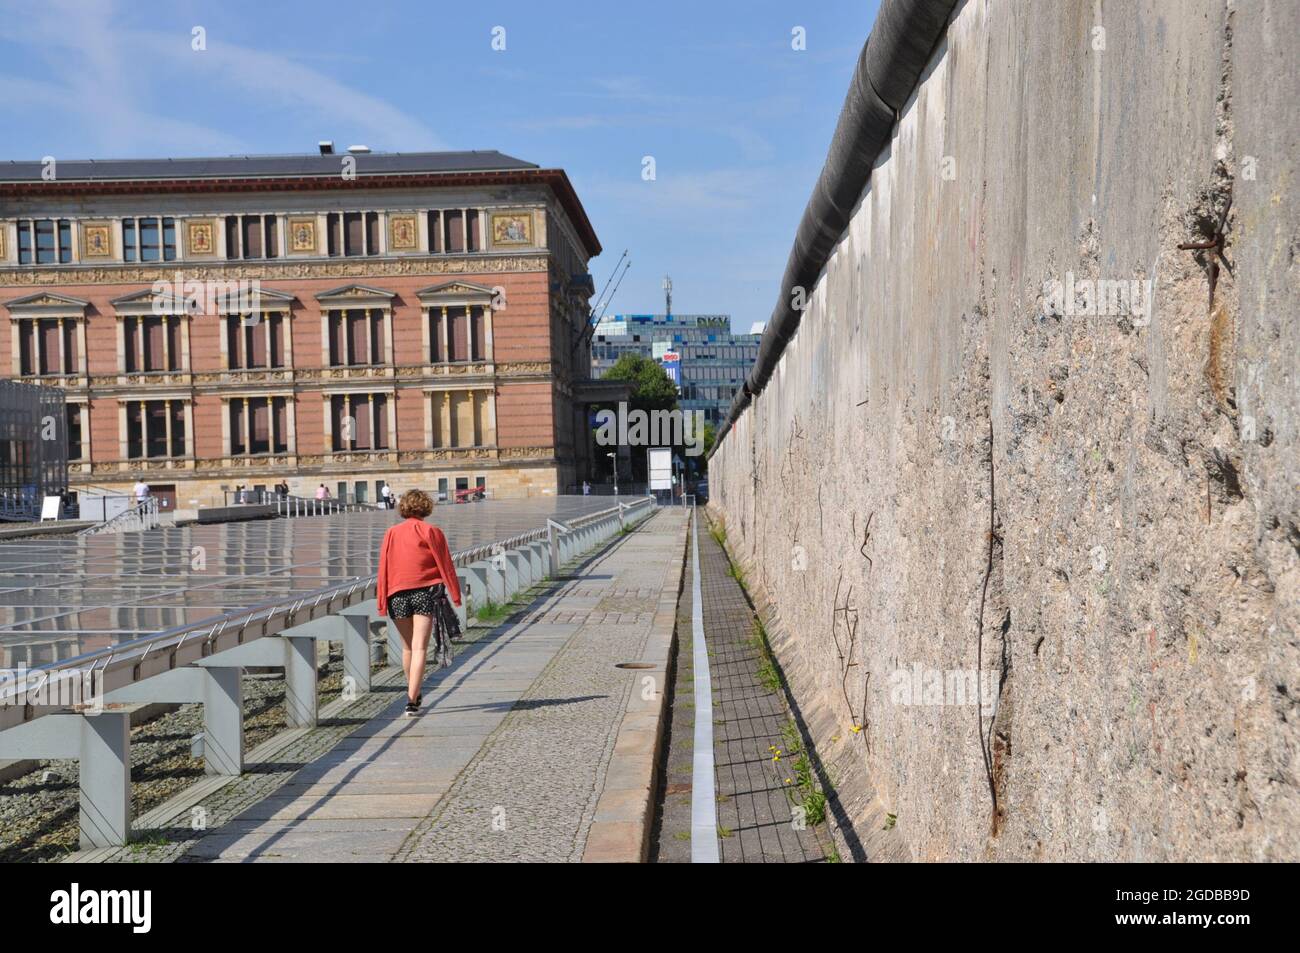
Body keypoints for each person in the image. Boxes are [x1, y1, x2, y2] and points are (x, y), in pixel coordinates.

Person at [377, 489, 463, 716]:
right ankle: (411, 700)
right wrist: (455, 594)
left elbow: (383, 567)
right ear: (426, 507)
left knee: (407, 647)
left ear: (403, 507)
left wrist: (381, 601)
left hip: (396, 594)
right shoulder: (432, 531)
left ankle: (413, 692)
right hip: (424, 593)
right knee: (420, 647)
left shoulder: (391, 533)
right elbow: (446, 565)